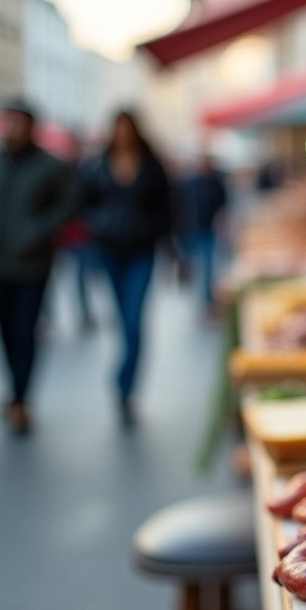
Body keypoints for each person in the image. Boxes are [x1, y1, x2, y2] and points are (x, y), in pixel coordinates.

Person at [0, 99, 81, 434]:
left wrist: (38, 231)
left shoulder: (51, 166)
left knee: (25, 330)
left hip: (32, 264)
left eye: (18, 122)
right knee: (4, 332)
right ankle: (15, 390)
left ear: (31, 127)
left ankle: (20, 398)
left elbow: (69, 204)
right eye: (8, 121)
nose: (12, 128)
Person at [80, 110, 173, 424]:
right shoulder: (97, 165)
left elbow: (169, 208)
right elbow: (83, 202)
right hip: (109, 250)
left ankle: (125, 387)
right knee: (122, 320)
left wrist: (163, 240)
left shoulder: (151, 166)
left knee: (133, 321)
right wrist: (97, 227)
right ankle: (125, 380)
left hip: (142, 251)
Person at [177, 153, 228, 315]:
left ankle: (207, 301)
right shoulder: (190, 182)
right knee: (195, 266)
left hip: (208, 229)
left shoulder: (215, 182)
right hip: (191, 230)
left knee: (208, 267)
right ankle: (200, 298)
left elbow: (222, 204)